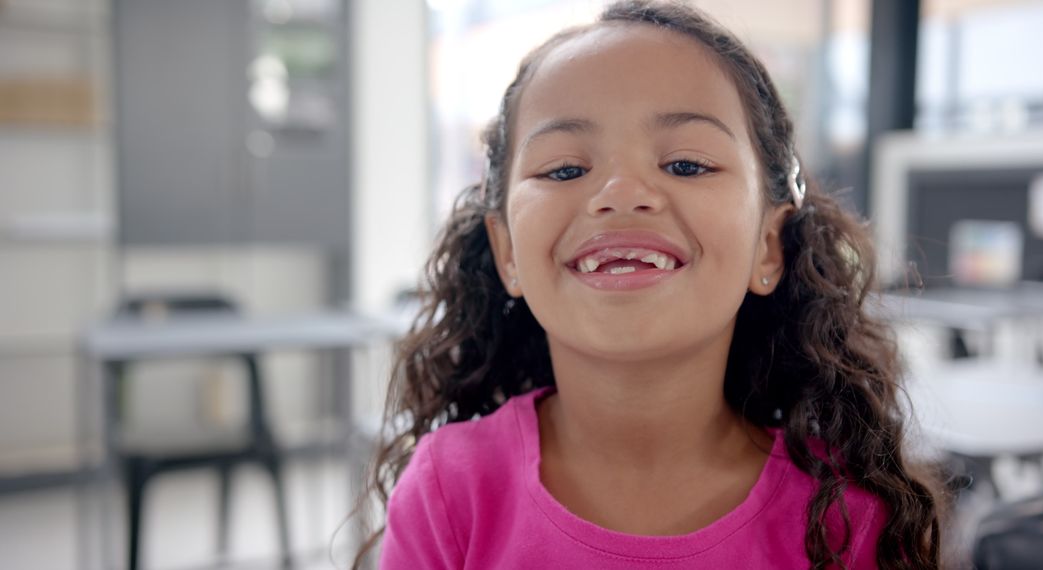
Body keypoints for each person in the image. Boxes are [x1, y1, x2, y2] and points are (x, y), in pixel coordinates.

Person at [353, 1, 942, 568]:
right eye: (564, 169)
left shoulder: (848, 517)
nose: (621, 192)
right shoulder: (448, 491)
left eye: (686, 164)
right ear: (507, 251)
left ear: (768, 244)